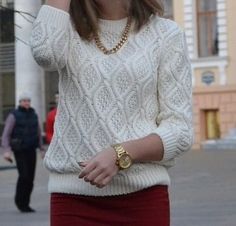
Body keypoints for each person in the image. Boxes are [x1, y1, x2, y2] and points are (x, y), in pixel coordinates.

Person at [30, 0, 193, 225]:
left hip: (142, 199)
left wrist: (121, 154)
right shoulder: (66, 28)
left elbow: (180, 131)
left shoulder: (166, 34)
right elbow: (45, 55)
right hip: (73, 200)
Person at [1, 93, 45, 213]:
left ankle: (26, 203)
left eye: (28, 101)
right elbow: (6, 134)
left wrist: (41, 149)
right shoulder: (13, 115)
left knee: (30, 178)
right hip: (19, 150)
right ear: (19, 102)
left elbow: (38, 132)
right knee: (24, 175)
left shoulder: (34, 114)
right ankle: (20, 202)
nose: (26, 103)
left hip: (31, 149)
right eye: (24, 101)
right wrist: (6, 151)